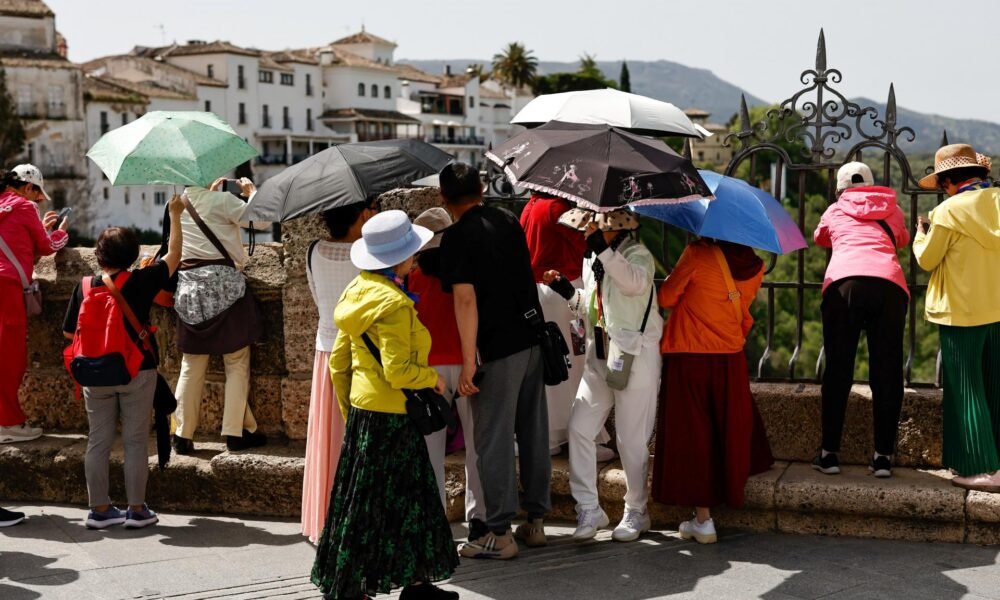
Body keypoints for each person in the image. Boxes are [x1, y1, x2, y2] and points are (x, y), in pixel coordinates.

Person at [312, 210, 458, 600]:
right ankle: (416, 585)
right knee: (412, 501)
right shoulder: (393, 304)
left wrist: (353, 415)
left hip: (366, 414)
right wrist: (432, 378)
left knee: (361, 506)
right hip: (394, 417)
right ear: (400, 258)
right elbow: (398, 371)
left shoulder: (356, 292)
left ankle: (353, 588)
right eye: (412, 252)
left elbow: (340, 363)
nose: (415, 257)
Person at [437, 163, 550, 560]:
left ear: (443, 198)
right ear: (482, 189)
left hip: (497, 348)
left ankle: (500, 533)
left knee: (493, 440)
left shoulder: (456, 237)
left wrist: (469, 362)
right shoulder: (507, 219)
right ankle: (536, 521)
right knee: (533, 431)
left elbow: (465, 300)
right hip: (532, 338)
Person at [62, 195, 184, 529]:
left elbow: (69, 333)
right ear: (131, 255)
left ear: (98, 255)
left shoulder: (84, 286)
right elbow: (174, 255)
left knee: (98, 440)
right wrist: (175, 214)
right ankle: (136, 510)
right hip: (136, 370)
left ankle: (100, 510)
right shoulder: (142, 280)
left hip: (93, 373)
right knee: (134, 440)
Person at [542, 208, 663, 543]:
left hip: (634, 355)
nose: (585, 232)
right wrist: (568, 292)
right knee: (579, 428)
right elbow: (595, 306)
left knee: (630, 439)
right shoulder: (594, 258)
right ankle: (588, 508)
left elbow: (633, 284)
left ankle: (637, 510)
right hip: (600, 355)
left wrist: (603, 250)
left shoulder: (638, 255)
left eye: (592, 227)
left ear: (613, 228)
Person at [652, 238, 773, 544]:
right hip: (730, 356)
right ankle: (729, 491)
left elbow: (666, 297)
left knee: (694, 434)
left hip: (690, 353)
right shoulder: (756, 266)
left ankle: (703, 519)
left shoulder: (697, 253)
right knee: (726, 428)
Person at [812, 162, 910, 478]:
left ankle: (829, 454)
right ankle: (883, 457)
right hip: (889, 286)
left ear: (840, 188)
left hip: (845, 284)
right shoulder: (892, 210)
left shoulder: (834, 210)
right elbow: (902, 239)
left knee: (838, 368)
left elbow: (820, 238)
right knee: (888, 371)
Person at [914, 144, 1000, 492]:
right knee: (994, 387)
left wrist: (921, 235)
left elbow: (927, 259)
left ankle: (982, 469)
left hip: (960, 312)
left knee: (967, 389)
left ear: (948, 181)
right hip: (996, 308)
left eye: (942, 184)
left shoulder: (948, 211)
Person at [172, 177, 266, 453]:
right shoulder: (223, 201)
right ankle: (235, 433)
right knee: (236, 362)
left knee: (191, 364)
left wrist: (208, 194)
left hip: (189, 289)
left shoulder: (175, 205)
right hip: (226, 289)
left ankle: (182, 434)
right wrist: (252, 193)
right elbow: (261, 222)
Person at [300, 200, 375, 544]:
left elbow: (319, 300)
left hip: (326, 348)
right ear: (361, 214)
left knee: (327, 440)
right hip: (361, 354)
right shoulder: (369, 253)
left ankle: (327, 517)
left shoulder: (313, 251)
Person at [520, 192, 614, 461]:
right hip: (565, 293)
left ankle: (550, 436)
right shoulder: (557, 208)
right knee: (577, 362)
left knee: (554, 363)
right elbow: (585, 244)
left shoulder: (531, 206)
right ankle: (582, 437)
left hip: (541, 292)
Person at [410, 207, 485, 534]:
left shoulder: (411, 278)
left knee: (430, 450)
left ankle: (435, 521)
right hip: (466, 362)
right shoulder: (463, 273)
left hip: (429, 370)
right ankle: (479, 516)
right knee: (476, 445)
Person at [0, 165, 68, 444]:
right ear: (28, 187)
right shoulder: (25, 207)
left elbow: (16, 239)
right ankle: (8, 424)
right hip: (7, 288)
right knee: (10, 357)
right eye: (37, 194)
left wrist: (41, 229)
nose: (38, 200)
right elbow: (48, 247)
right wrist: (60, 233)